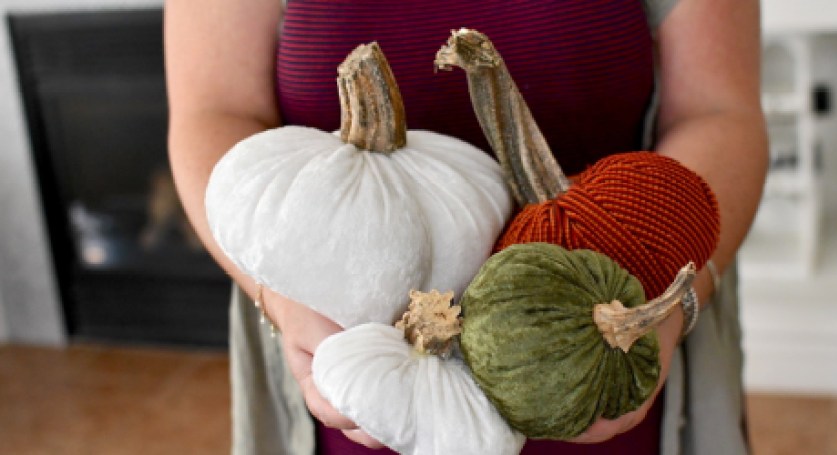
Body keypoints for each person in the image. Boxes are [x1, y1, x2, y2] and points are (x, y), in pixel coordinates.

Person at [164, 0, 767, 453]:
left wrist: (663, 310)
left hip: (613, 329)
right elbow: (214, 111)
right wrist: (283, 298)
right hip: (349, 374)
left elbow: (718, 110)